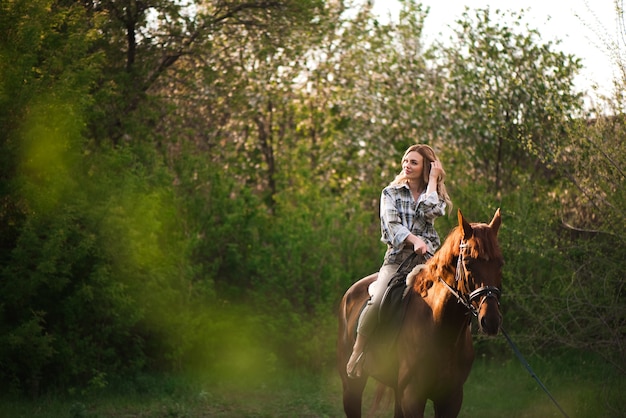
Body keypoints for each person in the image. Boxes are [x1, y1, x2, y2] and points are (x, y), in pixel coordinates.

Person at [346, 144, 452, 378]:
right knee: (379, 297)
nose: (407, 165)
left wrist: (433, 180)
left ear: (427, 166)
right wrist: (414, 240)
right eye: (405, 161)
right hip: (397, 259)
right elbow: (391, 227)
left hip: (428, 260)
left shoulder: (434, 195)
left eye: (414, 162)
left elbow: (429, 211)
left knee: (453, 297)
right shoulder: (390, 193)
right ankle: (358, 350)